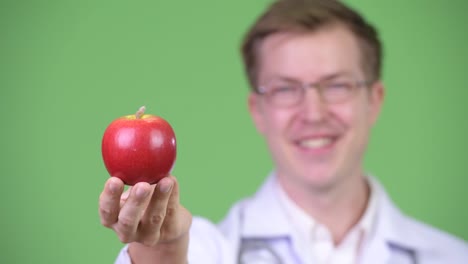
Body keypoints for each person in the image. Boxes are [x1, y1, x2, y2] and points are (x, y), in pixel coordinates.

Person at [99, 0, 468, 263]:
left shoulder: (454, 257)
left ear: (374, 99)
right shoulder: (209, 250)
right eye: (286, 89)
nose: (313, 112)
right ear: (258, 111)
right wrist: (162, 254)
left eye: (337, 85)